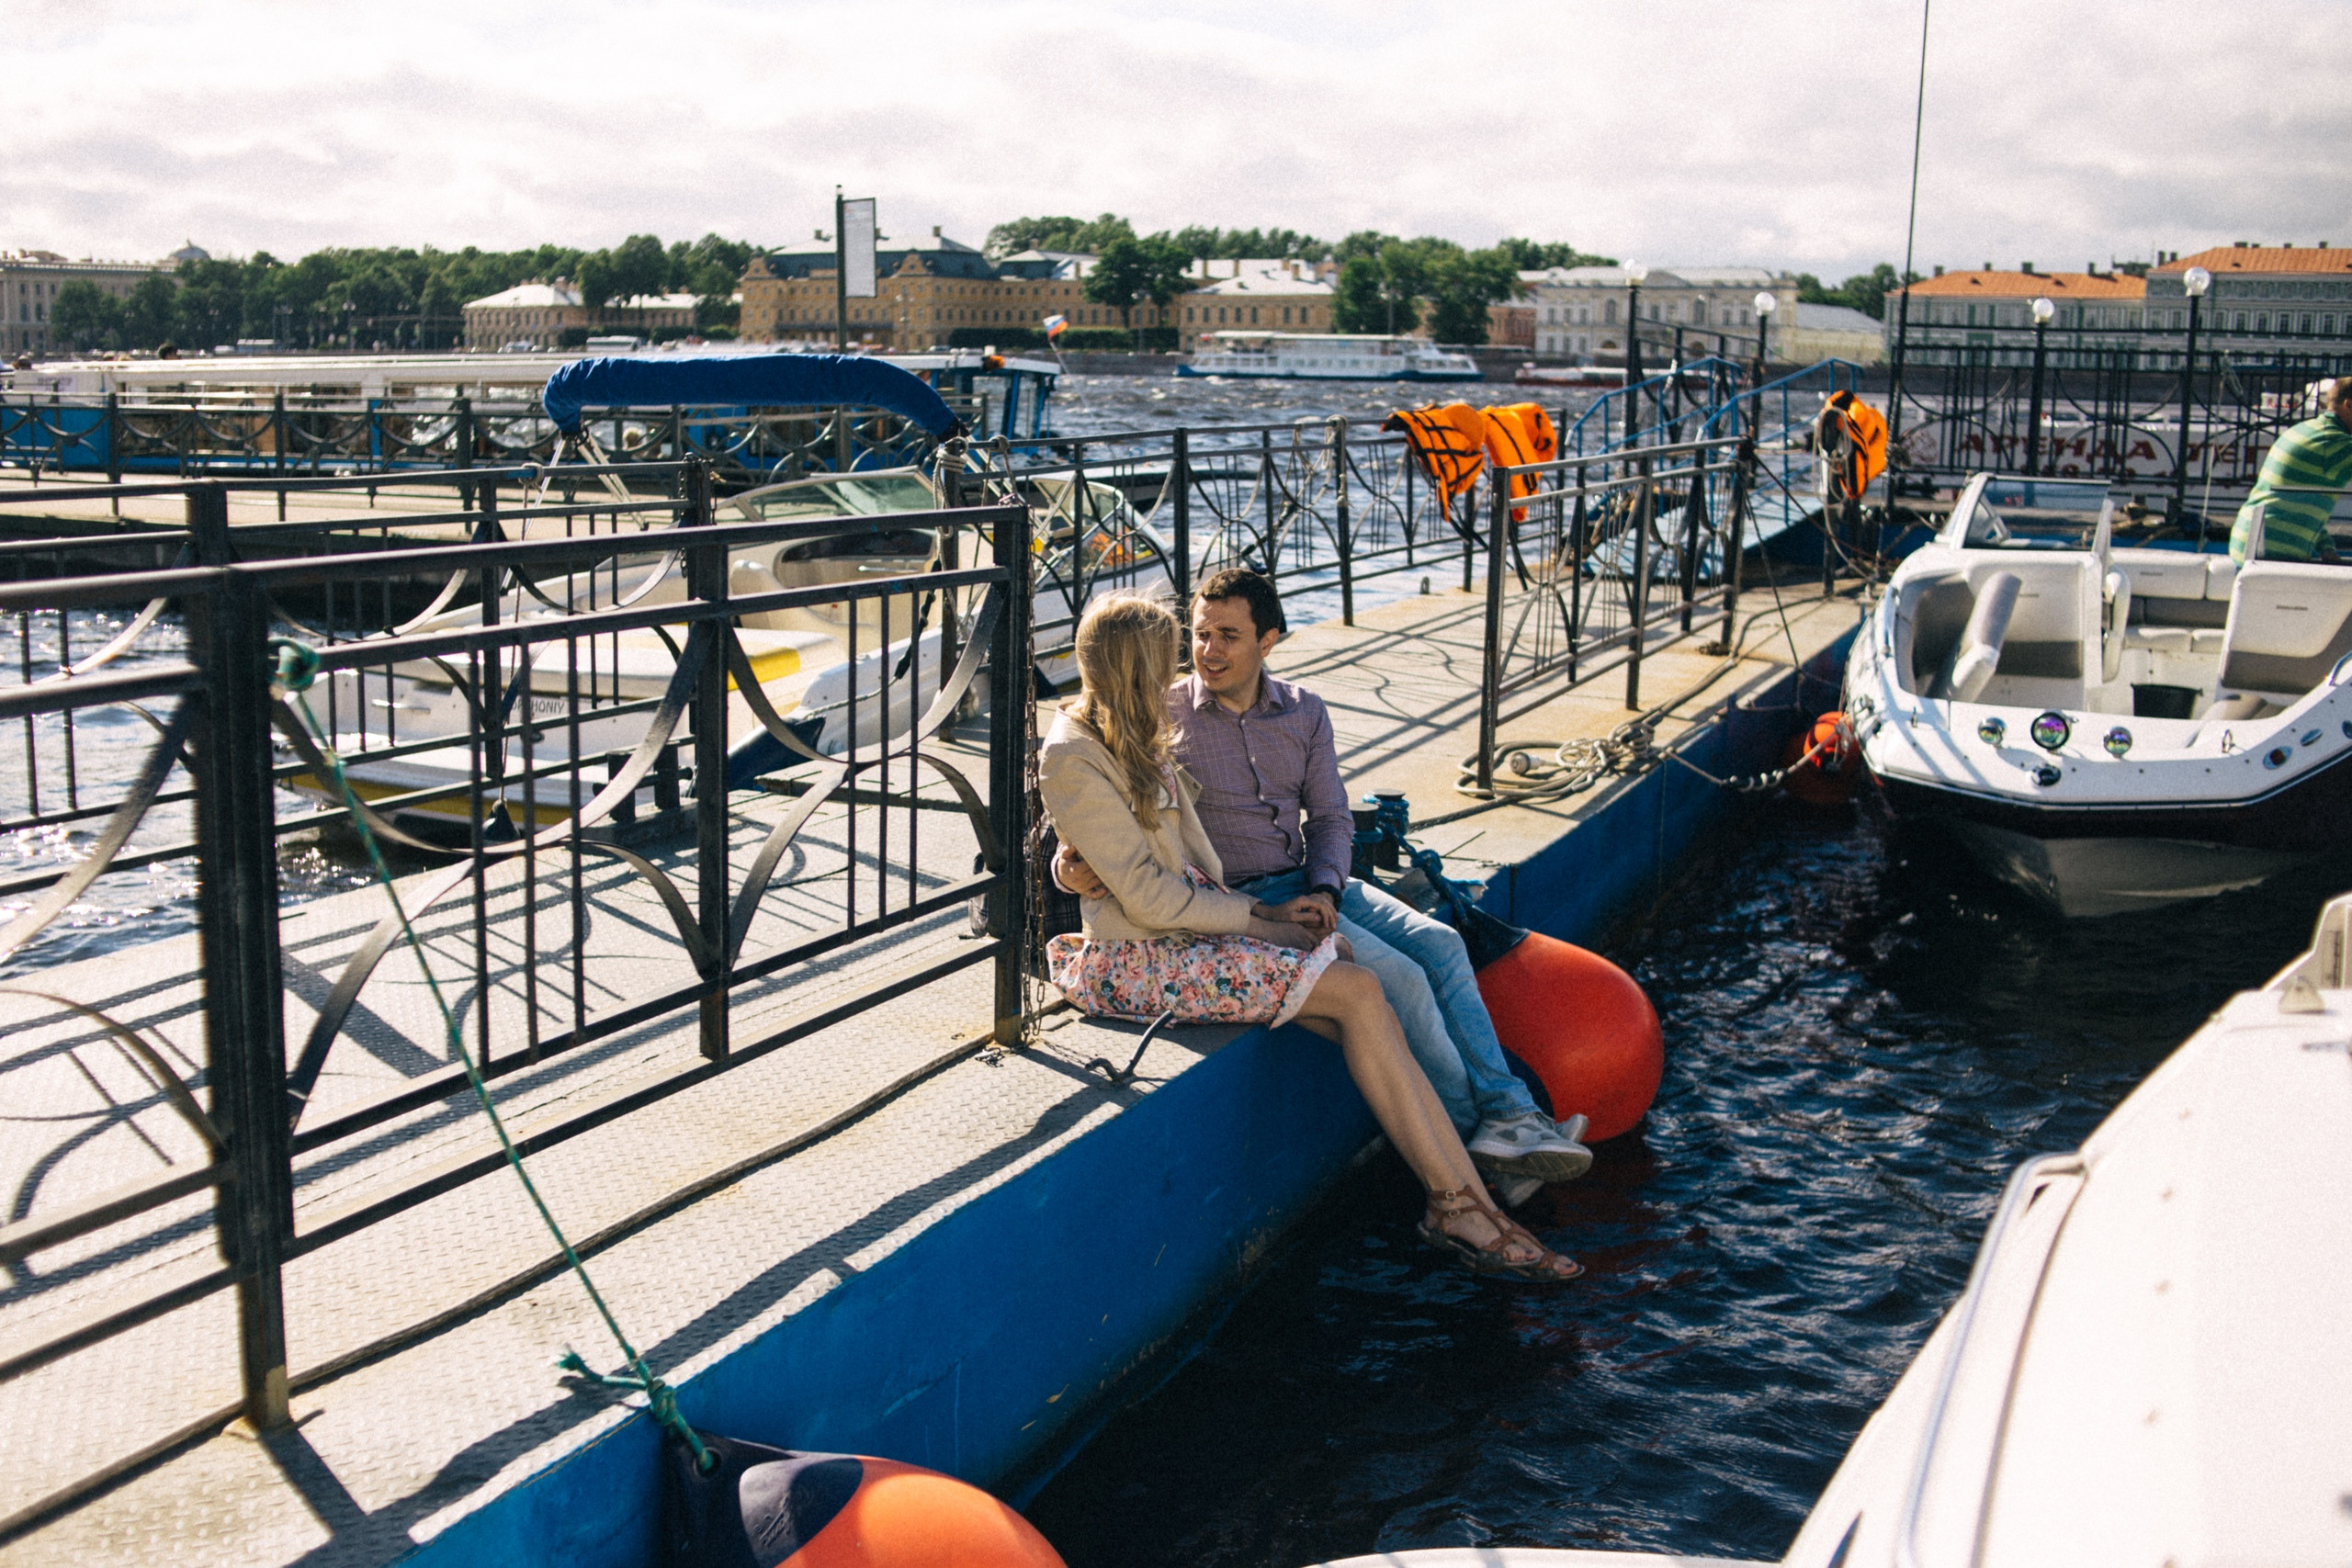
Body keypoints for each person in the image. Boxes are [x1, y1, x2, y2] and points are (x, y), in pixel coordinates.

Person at [1039, 593, 1579, 1283]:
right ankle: (1461, 1200)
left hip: (1190, 928)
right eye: (1175, 650)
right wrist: (1263, 921)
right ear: (1133, 667)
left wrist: (1305, 906)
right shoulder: (1076, 749)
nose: (1186, 664)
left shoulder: (1139, 726)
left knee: (1363, 984)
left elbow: (1178, 851)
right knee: (1362, 987)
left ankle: (1471, 1195)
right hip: (1140, 958)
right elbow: (1144, 892)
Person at [2230, 376, 2352, 563]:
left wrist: (2325, 548)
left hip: (2254, 540)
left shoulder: (2307, 430)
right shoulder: (2335, 444)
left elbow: (2298, 500)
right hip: (2268, 550)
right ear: (2348, 405)